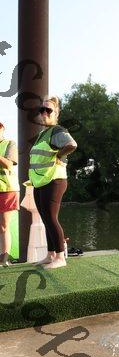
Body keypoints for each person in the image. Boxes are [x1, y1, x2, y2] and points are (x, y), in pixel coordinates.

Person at [29, 96, 77, 269]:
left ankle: (60, 257)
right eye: (41, 110)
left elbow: (72, 144)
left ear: (56, 113)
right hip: (41, 181)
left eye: (48, 110)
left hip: (54, 180)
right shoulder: (43, 134)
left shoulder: (57, 130)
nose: (44, 113)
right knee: (45, 218)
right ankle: (50, 255)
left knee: (50, 217)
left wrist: (59, 155)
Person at [0, 122, 19, 267]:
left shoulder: (10, 143)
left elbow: (8, 164)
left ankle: (4, 259)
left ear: (2, 129)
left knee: (3, 226)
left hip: (7, 189)